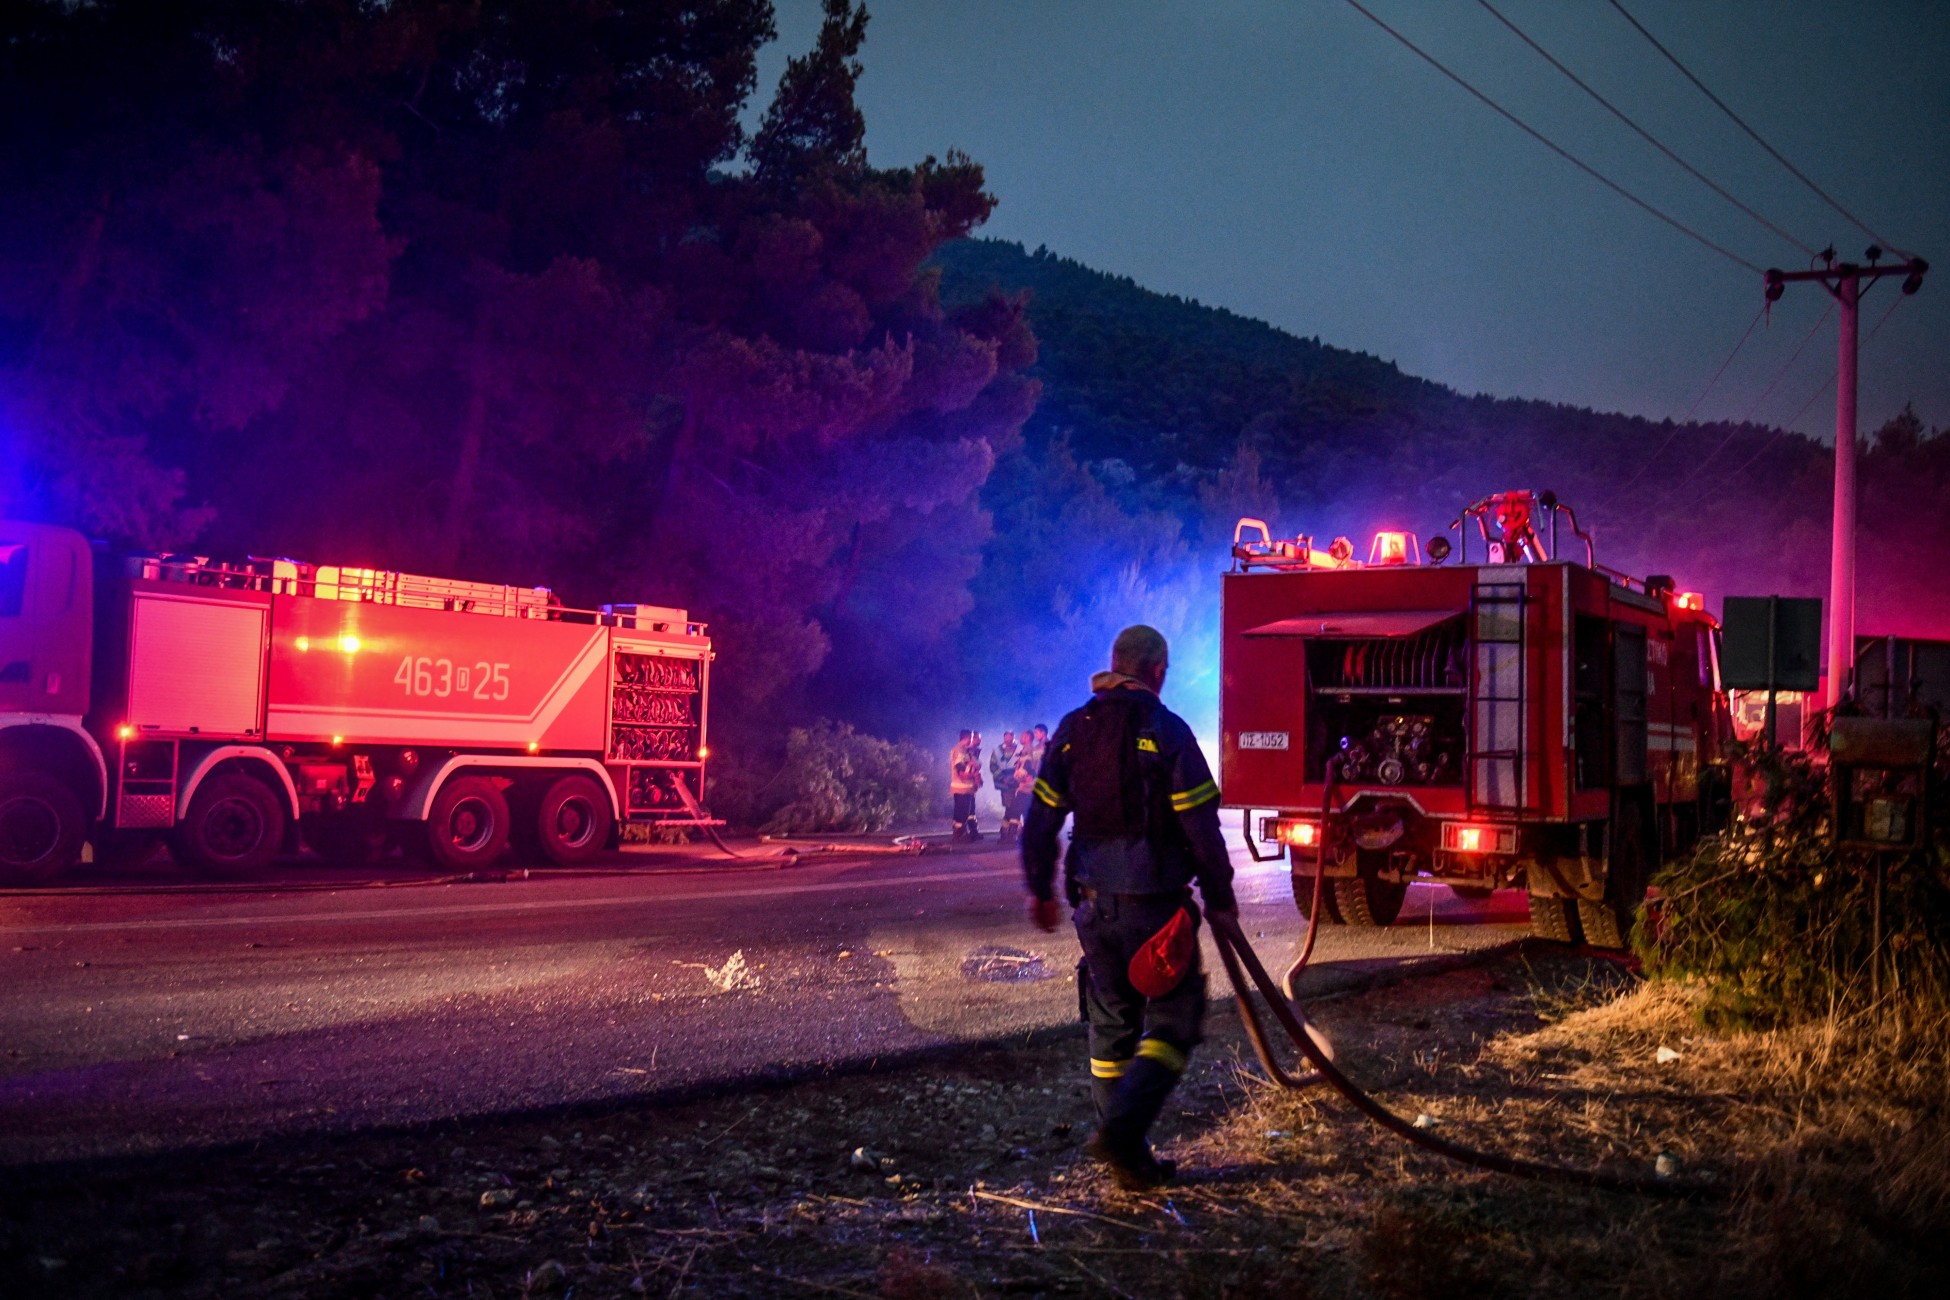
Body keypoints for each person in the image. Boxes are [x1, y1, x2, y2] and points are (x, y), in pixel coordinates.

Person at [1021, 625, 1236, 1190]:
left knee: (1111, 1027)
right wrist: (1221, 898)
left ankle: (1130, 1159)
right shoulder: (1167, 731)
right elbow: (1201, 828)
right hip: (1155, 910)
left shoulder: (1073, 730)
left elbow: (1041, 821)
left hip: (1093, 908)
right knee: (1176, 1017)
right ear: (1158, 671)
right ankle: (1122, 1133)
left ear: (1114, 663)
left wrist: (1039, 889)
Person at [949, 729, 983, 840]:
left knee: (964, 812)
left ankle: (961, 834)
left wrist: (976, 773)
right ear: (967, 738)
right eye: (972, 738)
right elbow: (961, 771)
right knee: (961, 813)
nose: (972, 740)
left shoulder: (965, 751)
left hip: (967, 787)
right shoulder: (959, 751)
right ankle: (959, 835)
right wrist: (974, 776)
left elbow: (974, 765)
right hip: (961, 787)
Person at [990, 730, 1022, 843]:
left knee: (1015, 807)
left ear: (1013, 737)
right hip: (1004, 785)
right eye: (1006, 737)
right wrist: (1003, 778)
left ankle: (1009, 831)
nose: (1008, 740)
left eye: (1010, 737)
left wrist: (1015, 777)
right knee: (1010, 807)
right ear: (1003, 738)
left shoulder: (1019, 749)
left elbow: (1022, 766)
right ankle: (1007, 832)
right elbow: (993, 766)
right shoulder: (998, 751)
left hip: (1018, 783)